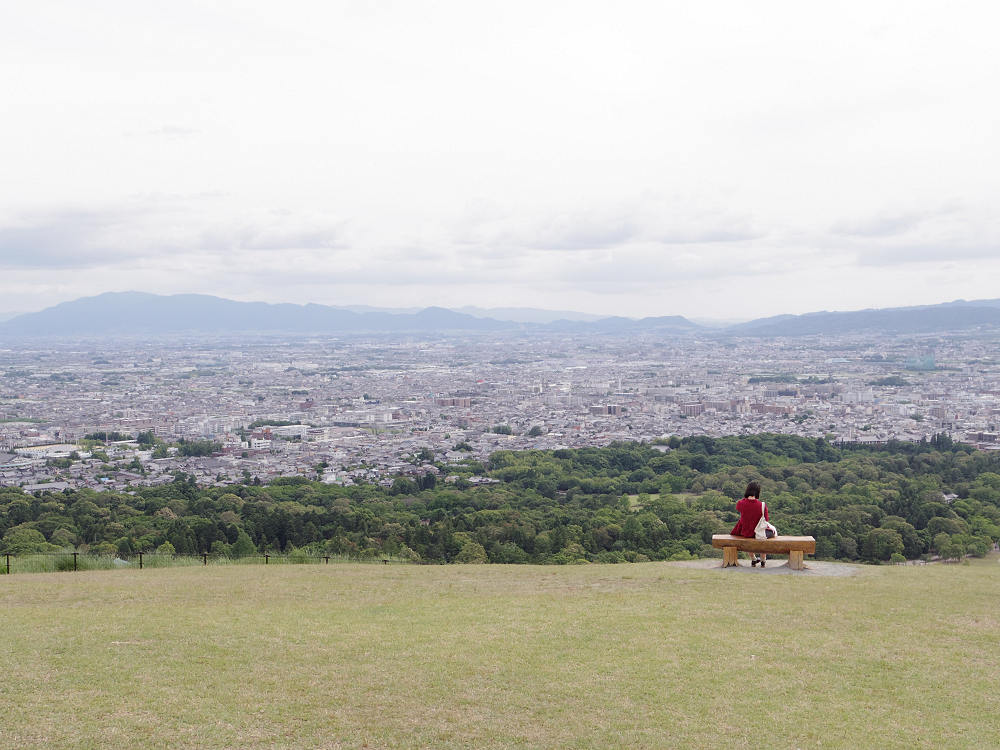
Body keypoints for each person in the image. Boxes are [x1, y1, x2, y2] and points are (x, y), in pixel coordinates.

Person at [731, 480, 770, 567]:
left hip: (746, 532)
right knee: (764, 536)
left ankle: (753, 559)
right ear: (758, 492)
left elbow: (738, 507)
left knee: (748, 538)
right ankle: (763, 561)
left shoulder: (741, 503)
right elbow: (766, 519)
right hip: (758, 532)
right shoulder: (762, 505)